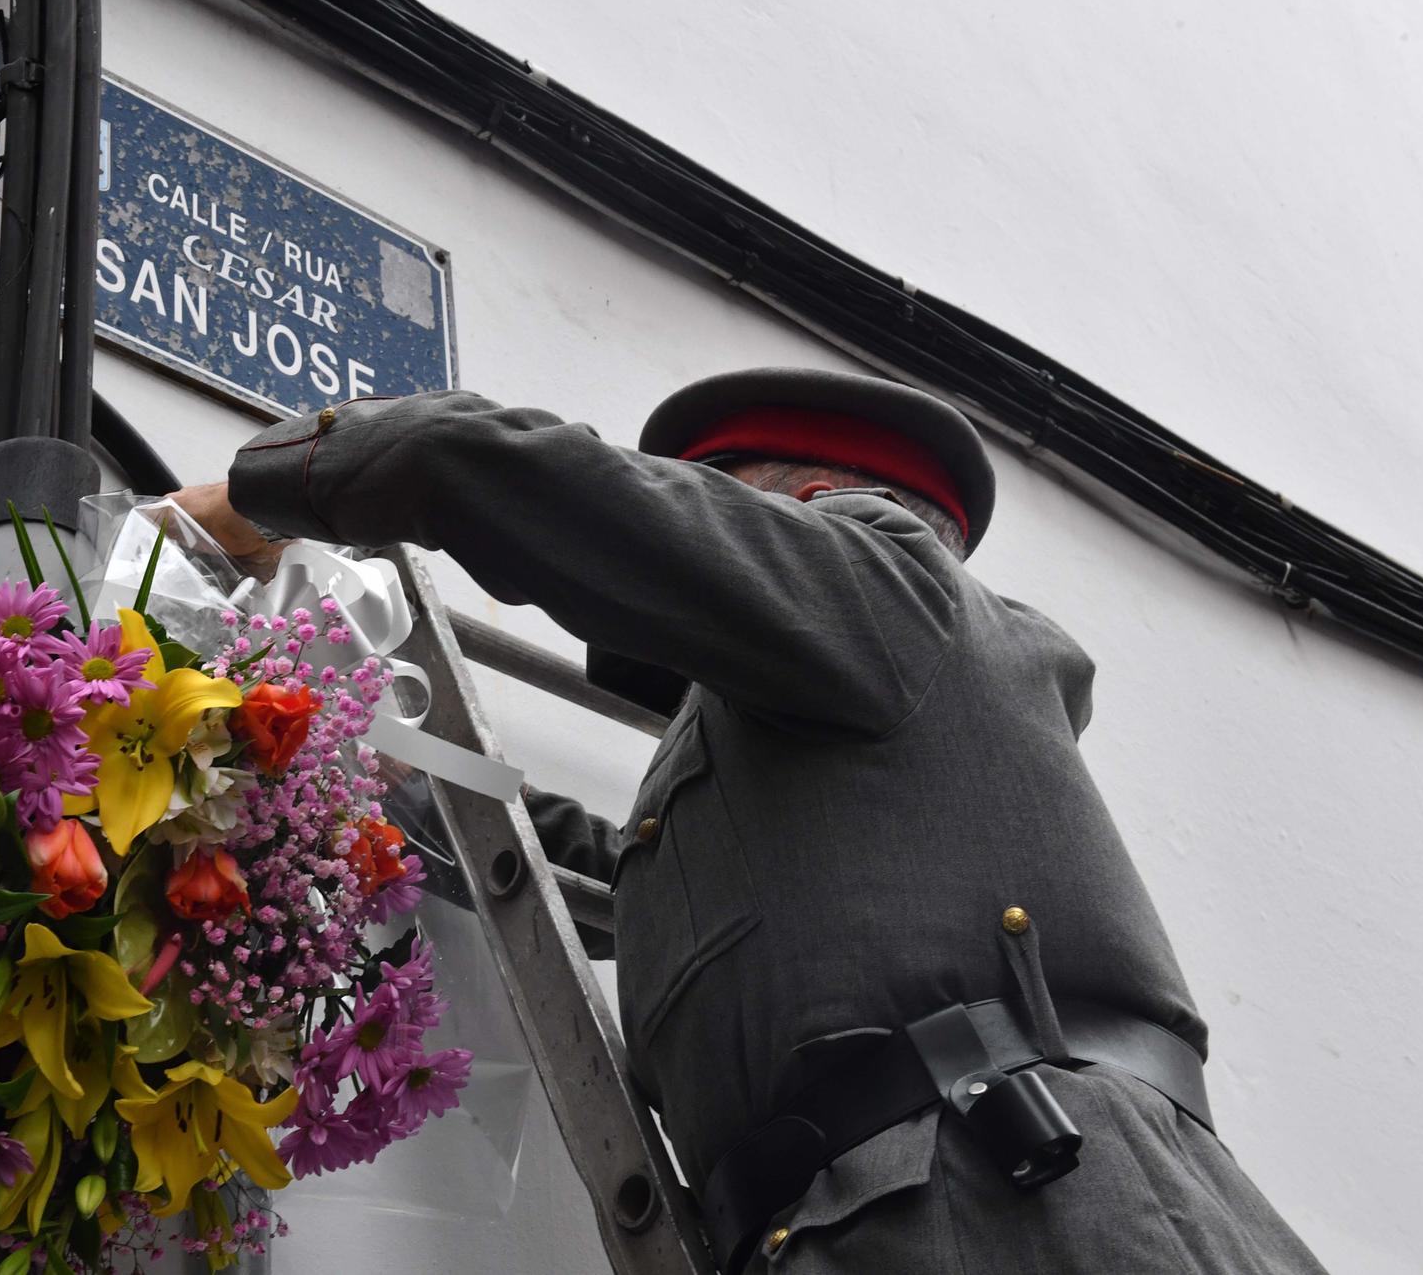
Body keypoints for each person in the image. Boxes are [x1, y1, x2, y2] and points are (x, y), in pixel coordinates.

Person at [169, 368, 1324, 1274]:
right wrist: (322, 772)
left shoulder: (888, 579)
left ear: (811, 509)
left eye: (721, 504)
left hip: (1018, 1204)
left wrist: (260, 493)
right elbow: (583, 877)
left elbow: (471, 461)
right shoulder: (819, 783)